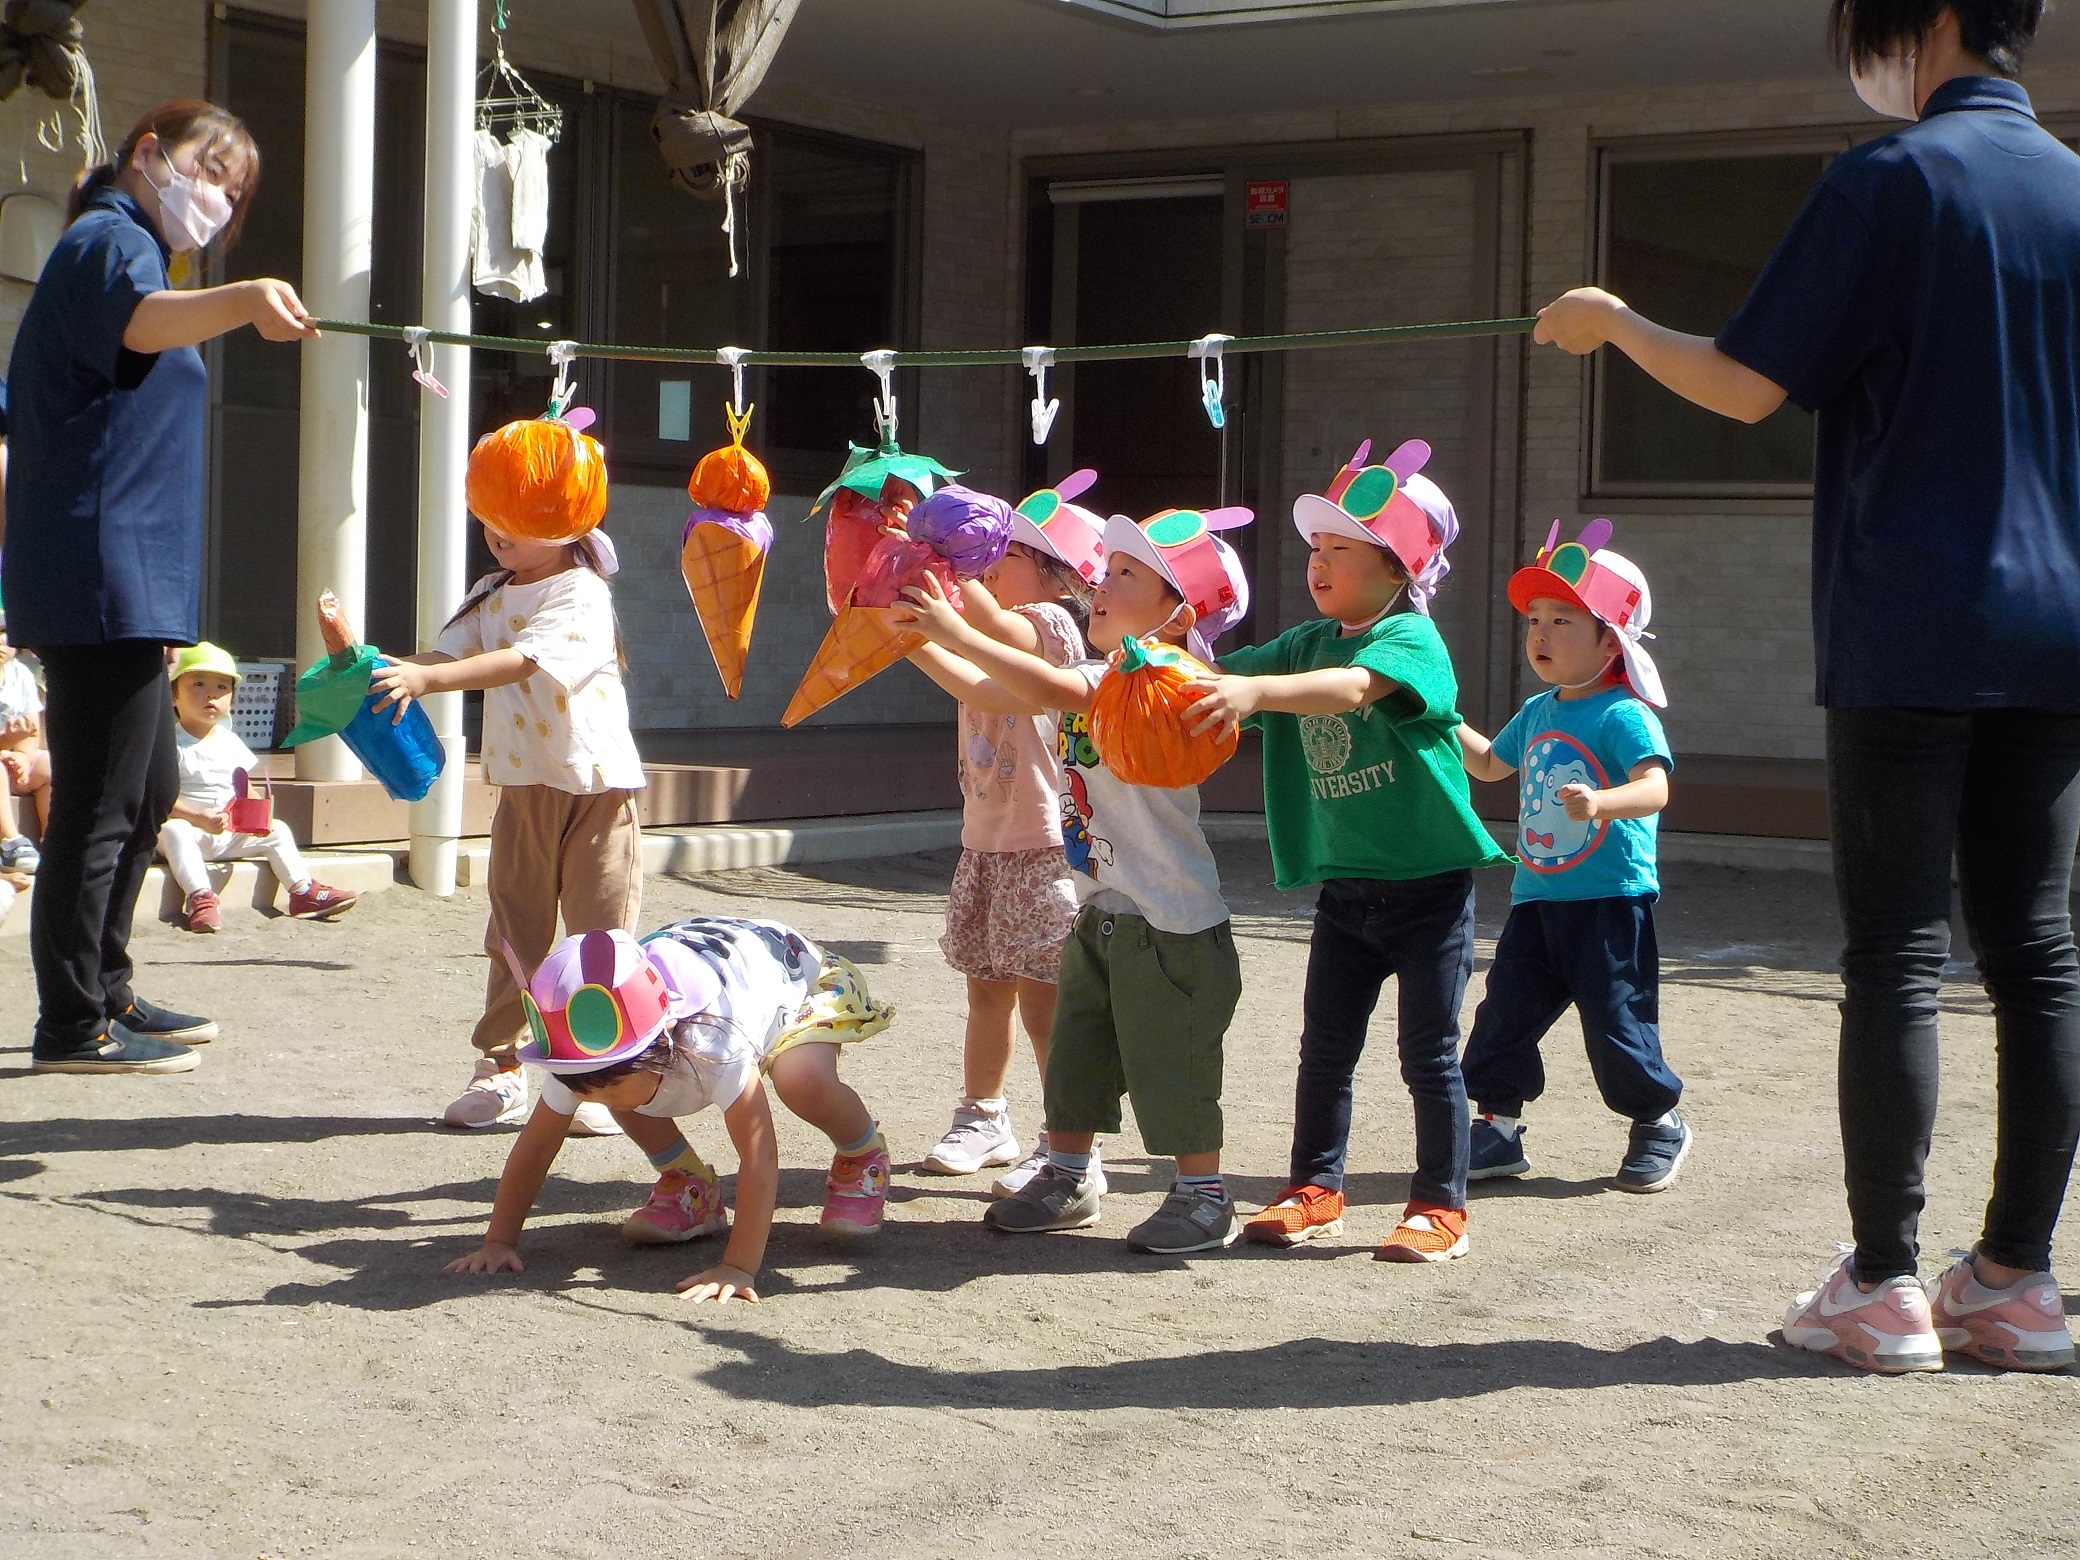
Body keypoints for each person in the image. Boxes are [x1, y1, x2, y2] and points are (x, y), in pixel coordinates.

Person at [1533, 0, 2077, 1373]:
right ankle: (2017, 1279)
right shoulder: (2075, 191)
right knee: (2038, 951)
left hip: (1910, 616)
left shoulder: (1890, 179)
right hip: (2061, 626)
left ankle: (1887, 1286)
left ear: (1932, 17)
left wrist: (1615, 322)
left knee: (1896, 945)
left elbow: (1746, 384)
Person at [3, 99, 315, 1075]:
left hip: (134, 570)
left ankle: (109, 989)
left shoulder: (145, 257)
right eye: (208, 170)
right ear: (148, 156)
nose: (218, 197)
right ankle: (72, 1021)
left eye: (236, 190)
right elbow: (141, 324)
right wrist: (249, 295)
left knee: (150, 784)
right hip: (99, 564)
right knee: (101, 795)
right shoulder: (108, 238)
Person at [1184, 443, 1510, 1262]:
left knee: (1429, 1055)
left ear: (1399, 568)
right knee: (1325, 1048)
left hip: (1430, 888)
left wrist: (1254, 691)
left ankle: (1441, 1208)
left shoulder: (1409, 638)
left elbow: (1354, 688)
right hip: (1345, 889)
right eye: (1316, 550)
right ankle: (1315, 1190)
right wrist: (1162, 629)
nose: (1320, 563)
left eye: (1343, 550)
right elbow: (1208, 676)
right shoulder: (1300, 644)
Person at [892, 509, 1249, 1255]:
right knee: (1077, 1050)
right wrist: (916, 643)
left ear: (1178, 614)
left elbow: (1049, 684)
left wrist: (954, 630)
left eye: (1126, 576)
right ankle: (1069, 1170)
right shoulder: (1103, 672)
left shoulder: (1170, 680)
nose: (1101, 585)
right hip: (1104, 908)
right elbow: (1003, 691)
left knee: (1171, 1063)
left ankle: (1204, 1195)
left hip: (1173, 924)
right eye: (1106, 570)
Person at [444, 917, 894, 1297]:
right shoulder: (582, 1060)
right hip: (703, 970)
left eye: (609, 1085)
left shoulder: (715, 1044)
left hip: (805, 979)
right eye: (587, 1089)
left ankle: (862, 1154)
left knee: (802, 1080)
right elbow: (537, 1146)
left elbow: (759, 1154)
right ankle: (691, 1185)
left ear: (660, 1046)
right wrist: (498, 1241)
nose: (595, 1098)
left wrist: (737, 1268)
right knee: (622, 1096)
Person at [372, 521, 645, 1137]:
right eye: (492, 519)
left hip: (598, 789)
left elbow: (524, 662)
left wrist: (425, 681)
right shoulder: (489, 591)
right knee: (514, 932)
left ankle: (600, 1072)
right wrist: (383, 669)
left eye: (521, 521)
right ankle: (500, 1065)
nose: (499, 535)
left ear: (568, 520)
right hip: (524, 787)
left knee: (599, 940)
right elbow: (447, 657)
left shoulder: (582, 589)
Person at [1455, 528, 1688, 1194]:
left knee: (1617, 1019)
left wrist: (1603, 802)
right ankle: (1497, 1130)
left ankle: (1657, 1123)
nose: (1541, 633)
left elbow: (1657, 787)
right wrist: (1439, 718)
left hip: (1611, 900)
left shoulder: (1624, 714)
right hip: (1538, 900)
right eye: (1535, 620)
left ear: (1611, 641)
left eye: (1562, 621)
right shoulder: (1534, 712)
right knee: (1503, 1016)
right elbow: (1490, 767)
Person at [904, 480, 1101, 1195]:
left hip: (1045, 848)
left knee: (1046, 1003)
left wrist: (941, 572)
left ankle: (1066, 1142)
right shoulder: (993, 635)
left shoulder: (1052, 626)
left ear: (1054, 572)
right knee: (986, 992)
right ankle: (984, 1117)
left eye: (1002, 556)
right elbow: (975, 684)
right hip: (987, 844)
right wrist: (910, 644)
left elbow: (988, 633)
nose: (985, 567)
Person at [156, 642, 358, 933]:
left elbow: (243, 784)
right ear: (173, 695)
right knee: (174, 830)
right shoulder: (168, 742)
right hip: (188, 831)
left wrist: (257, 815)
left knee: (279, 830)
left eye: (222, 687)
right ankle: (200, 897)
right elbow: (159, 797)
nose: (210, 694)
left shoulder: (229, 740)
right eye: (198, 684)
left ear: (232, 698)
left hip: (228, 832)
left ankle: (302, 891)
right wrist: (198, 818)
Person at [0, 596, 43, 872]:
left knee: (51, 765)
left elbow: (32, 729)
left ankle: (55, 841)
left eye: (4, 633)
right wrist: (7, 744)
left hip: (13, 761)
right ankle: (10, 842)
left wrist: (26, 758)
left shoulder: (21, 675)